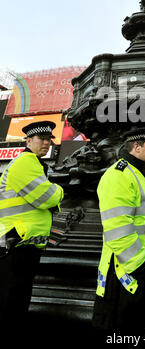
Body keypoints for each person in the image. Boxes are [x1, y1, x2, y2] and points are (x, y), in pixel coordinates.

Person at [92, 127, 145, 330]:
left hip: (135, 269)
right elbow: (118, 229)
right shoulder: (119, 174)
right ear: (136, 147)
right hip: (125, 273)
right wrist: (140, 266)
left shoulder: (138, 174)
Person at [0, 120, 64, 324]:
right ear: (28, 140)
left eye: (49, 139)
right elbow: (48, 198)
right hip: (16, 243)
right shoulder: (25, 162)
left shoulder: (35, 164)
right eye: (41, 139)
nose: (46, 143)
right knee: (12, 301)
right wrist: (60, 191)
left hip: (22, 243)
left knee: (17, 299)